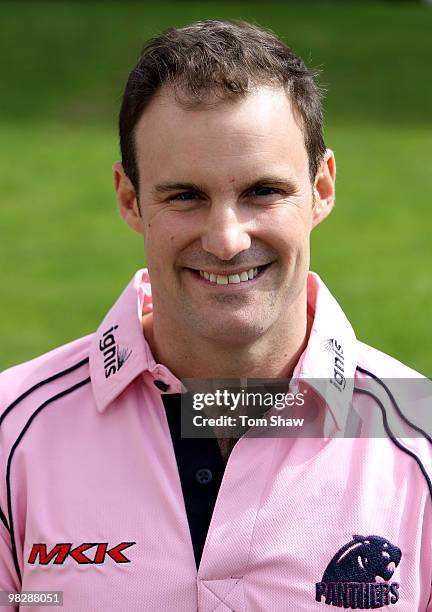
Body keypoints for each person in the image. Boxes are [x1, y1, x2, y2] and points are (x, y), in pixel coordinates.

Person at [0, 19, 430, 612]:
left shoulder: (421, 438)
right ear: (130, 200)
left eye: (262, 191)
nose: (226, 240)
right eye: (185, 196)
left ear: (322, 188)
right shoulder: (10, 437)